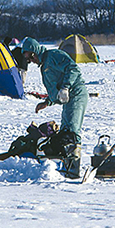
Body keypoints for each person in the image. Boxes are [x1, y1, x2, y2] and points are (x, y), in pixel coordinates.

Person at [21, 37, 89, 178]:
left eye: (30, 57)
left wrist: (66, 87)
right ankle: (68, 167)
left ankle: (74, 170)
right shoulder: (45, 66)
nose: (31, 61)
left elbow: (73, 69)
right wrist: (47, 102)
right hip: (68, 99)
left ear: (34, 52)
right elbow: (55, 90)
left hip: (76, 94)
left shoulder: (53, 56)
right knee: (66, 131)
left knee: (72, 132)